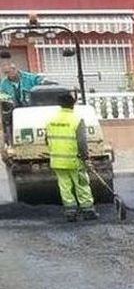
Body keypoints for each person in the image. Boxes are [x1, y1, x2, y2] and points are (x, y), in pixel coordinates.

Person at [45, 91, 95, 221]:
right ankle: (88, 210)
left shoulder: (51, 120)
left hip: (57, 160)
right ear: (73, 104)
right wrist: (85, 157)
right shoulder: (77, 120)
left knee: (64, 186)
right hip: (74, 160)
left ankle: (70, 212)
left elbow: (47, 140)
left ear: (59, 104)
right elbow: (82, 141)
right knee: (81, 184)